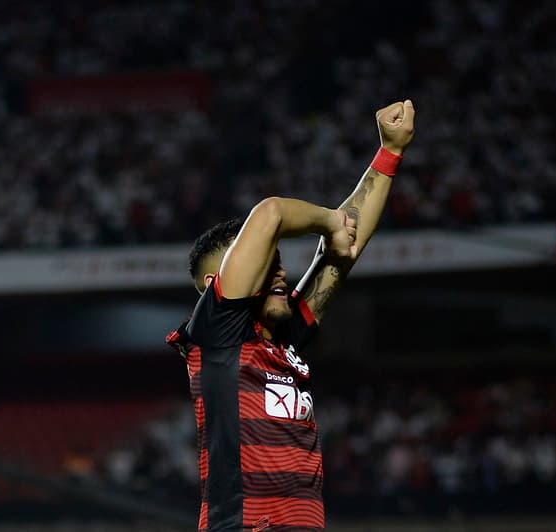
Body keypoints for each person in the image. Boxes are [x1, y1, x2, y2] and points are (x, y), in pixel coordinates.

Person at [166, 100, 415, 531]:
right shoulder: (216, 336)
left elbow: (342, 254)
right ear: (214, 287)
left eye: (278, 261)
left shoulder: (279, 342)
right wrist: (328, 220)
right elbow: (270, 213)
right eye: (266, 264)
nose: (280, 271)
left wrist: (389, 153)